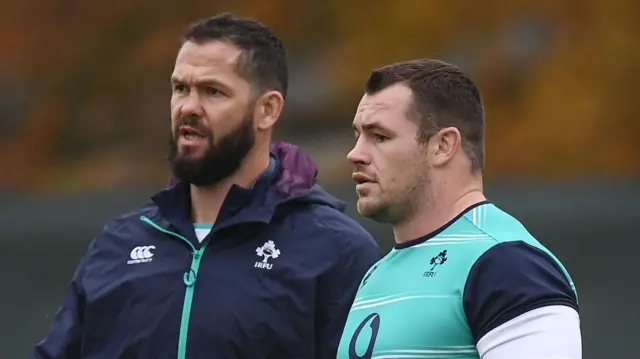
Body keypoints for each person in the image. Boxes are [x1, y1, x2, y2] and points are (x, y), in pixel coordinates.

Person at [32, 13, 380, 359]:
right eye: (180, 88)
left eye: (213, 92)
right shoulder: (118, 245)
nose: (188, 107)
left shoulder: (334, 250)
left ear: (268, 110)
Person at [337, 59, 581, 359]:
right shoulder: (375, 276)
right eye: (357, 136)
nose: (355, 154)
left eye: (380, 137)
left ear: (443, 145)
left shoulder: (508, 264)